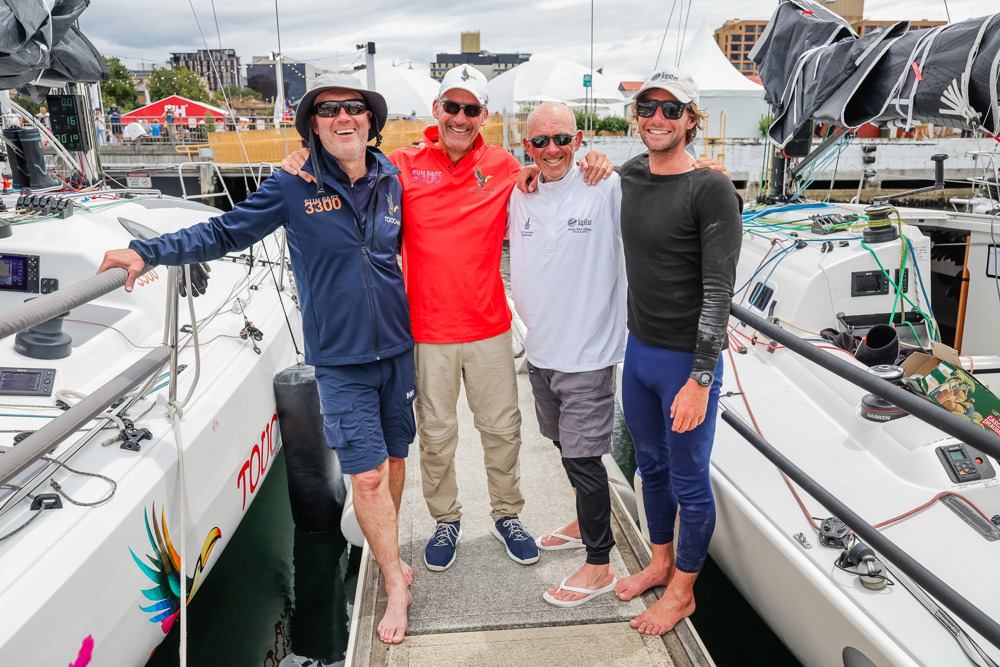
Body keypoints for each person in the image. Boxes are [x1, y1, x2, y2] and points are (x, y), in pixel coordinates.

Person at [97, 74, 416, 645]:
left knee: (393, 463)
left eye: (354, 109)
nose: (344, 117)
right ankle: (395, 582)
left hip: (397, 350)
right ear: (313, 126)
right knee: (365, 477)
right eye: (328, 111)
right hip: (340, 360)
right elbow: (226, 232)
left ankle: (384, 555)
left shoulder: (392, 176)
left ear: (371, 121)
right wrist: (147, 251)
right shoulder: (290, 185)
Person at [281, 65, 613, 573]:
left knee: (503, 430)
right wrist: (305, 156)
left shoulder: (505, 165)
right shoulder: (400, 164)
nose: (461, 118)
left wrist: (597, 160)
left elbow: (554, 180)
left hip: (488, 327)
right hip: (426, 332)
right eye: (452, 107)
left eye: (472, 109)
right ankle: (445, 519)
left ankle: (507, 514)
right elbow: (347, 166)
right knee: (436, 435)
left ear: (484, 115)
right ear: (437, 110)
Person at [612, 67, 742, 635]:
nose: (657, 119)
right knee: (652, 465)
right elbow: (574, 174)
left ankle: (683, 592)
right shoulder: (633, 173)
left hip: (682, 363)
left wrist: (700, 378)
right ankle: (659, 563)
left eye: (671, 110)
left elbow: (720, 294)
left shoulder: (711, 188)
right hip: (638, 353)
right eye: (648, 108)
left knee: (689, 479)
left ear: (692, 119)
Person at [507, 102, 625, 607]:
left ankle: (600, 565)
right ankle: (583, 520)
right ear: (526, 146)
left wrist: (707, 173)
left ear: (579, 139)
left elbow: (667, 186)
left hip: (589, 352)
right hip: (543, 350)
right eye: (540, 142)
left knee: (583, 458)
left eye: (562, 139)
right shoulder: (520, 192)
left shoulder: (606, 186)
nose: (552, 150)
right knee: (561, 445)